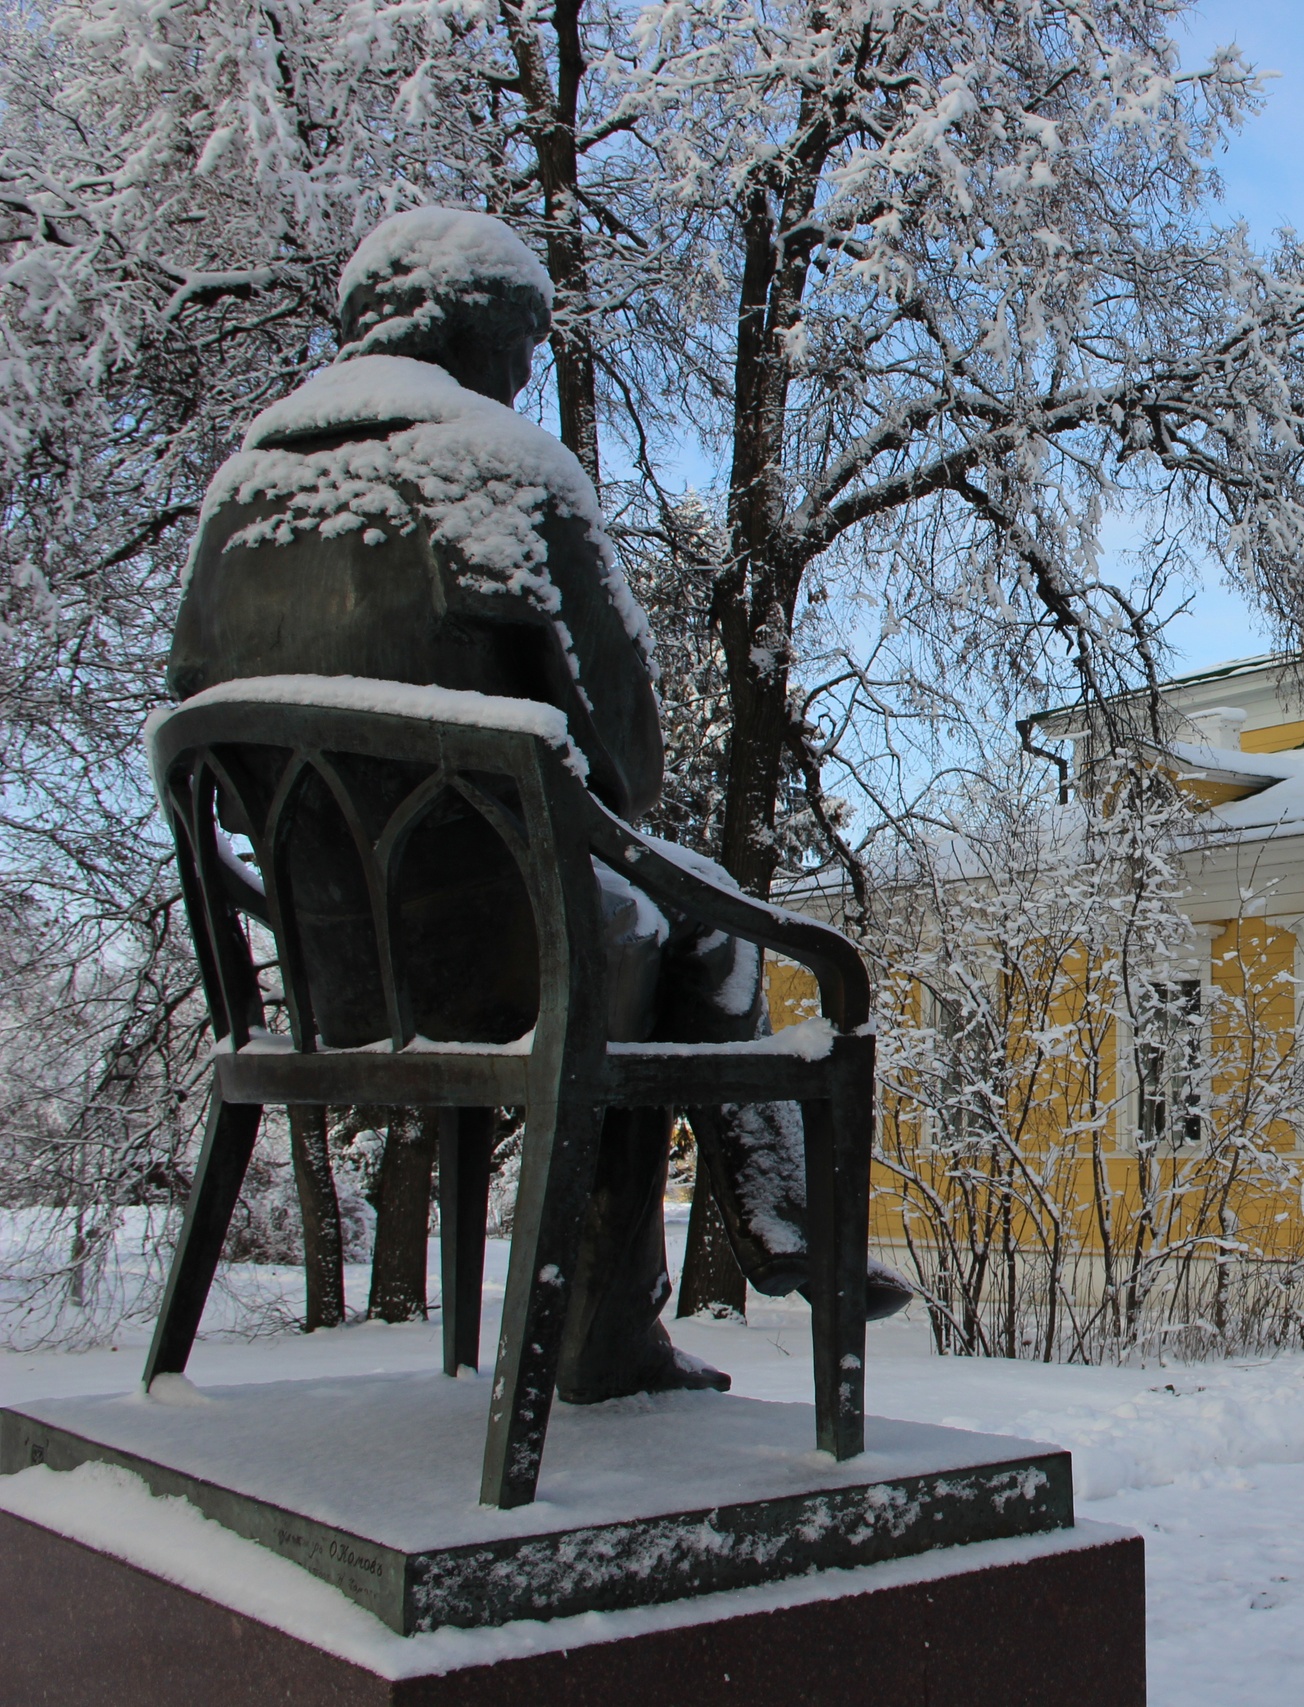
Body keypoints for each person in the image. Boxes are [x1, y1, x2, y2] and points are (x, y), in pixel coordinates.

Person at [168, 207, 907, 1400]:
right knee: (666, 922)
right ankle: (742, 1242)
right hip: (508, 961)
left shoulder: (237, 501)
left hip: (321, 973)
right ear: (465, 326)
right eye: (520, 342)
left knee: (624, 924)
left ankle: (726, 1255)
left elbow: (207, 733)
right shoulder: (501, 476)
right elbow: (629, 762)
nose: (523, 371)